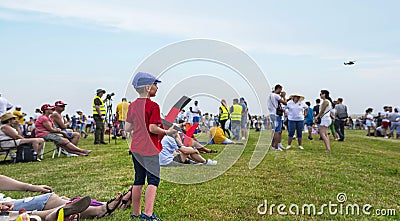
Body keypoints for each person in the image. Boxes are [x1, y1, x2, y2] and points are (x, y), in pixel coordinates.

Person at [125, 72, 176, 220]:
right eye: (155, 85)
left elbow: (127, 127)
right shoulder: (153, 106)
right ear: (148, 87)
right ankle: (148, 214)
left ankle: (136, 213)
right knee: (153, 181)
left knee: (138, 180)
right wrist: (167, 131)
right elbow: (152, 128)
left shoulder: (132, 105)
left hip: (135, 149)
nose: (157, 88)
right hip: (150, 148)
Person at [0, 174, 122, 220]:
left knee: (54, 199)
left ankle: (101, 206)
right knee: (51, 201)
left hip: (5, 203)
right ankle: (100, 209)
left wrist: (32, 187)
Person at [268, 84, 287, 151]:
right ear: (278, 88)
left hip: (272, 114)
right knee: (277, 131)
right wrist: (284, 97)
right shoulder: (276, 95)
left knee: (274, 130)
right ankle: (276, 146)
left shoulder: (271, 95)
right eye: (280, 89)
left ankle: (272, 146)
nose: (281, 91)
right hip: (276, 115)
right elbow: (285, 103)